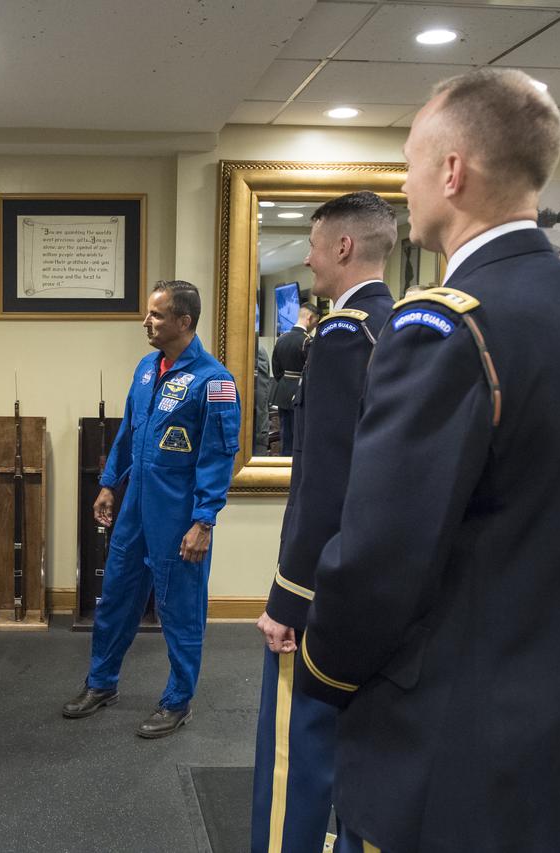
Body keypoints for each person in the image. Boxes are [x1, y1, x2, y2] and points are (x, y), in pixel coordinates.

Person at [294, 69, 560, 852]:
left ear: (453, 172)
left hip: (443, 753)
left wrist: (322, 667)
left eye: (412, 160)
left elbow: (382, 555)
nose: (404, 183)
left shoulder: (447, 326)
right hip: (553, 744)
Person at [250, 191, 397, 853]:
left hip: (325, 592)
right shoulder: (401, 326)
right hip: (378, 582)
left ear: (342, 247)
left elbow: (325, 478)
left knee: (296, 751)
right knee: (358, 750)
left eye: (313, 245)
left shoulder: (343, 336)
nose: (307, 259)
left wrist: (290, 598)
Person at [62, 280, 240, 738]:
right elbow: (129, 433)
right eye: (148, 313)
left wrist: (204, 521)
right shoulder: (146, 369)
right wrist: (108, 485)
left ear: (184, 321)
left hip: (179, 515)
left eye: (157, 315)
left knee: (180, 611)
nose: (147, 322)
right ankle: (101, 684)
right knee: (116, 597)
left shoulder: (214, 382)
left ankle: (178, 701)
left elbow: (219, 456)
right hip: (135, 510)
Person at [270, 302, 319, 454]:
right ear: (310, 318)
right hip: (300, 394)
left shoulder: (282, 339)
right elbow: (312, 371)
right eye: (316, 322)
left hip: (282, 392)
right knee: (299, 437)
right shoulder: (308, 341)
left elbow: (276, 370)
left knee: (286, 436)